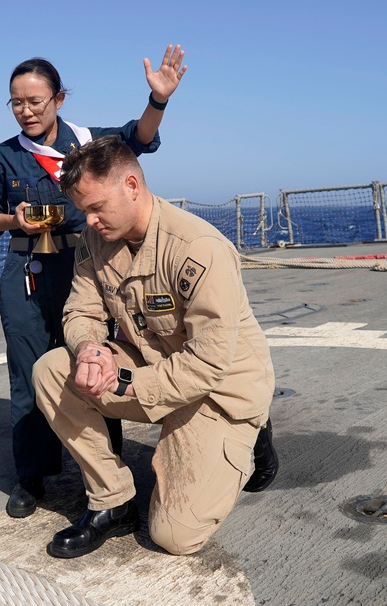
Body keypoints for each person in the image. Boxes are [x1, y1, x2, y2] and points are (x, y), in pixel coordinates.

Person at [32, 135, 279, 558]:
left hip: (218, 392)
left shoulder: (199, 249)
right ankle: (113, 500)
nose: (88, 221)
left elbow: (206, 364)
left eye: (95, 208)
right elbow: (81, 311)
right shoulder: (96, 241)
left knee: (175, 536)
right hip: (152, 366)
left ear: (131, 185)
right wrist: (91, 351)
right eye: (82, 210)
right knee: (53, 370)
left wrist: (124, 383)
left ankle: (254, 430)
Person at [0, 45, 189, 519]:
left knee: (95, 362)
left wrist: (158, 101)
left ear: (59, 100)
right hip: (27, 273)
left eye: (36, 101)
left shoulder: (88, 143)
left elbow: (139, 138)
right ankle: (31, 475)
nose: (26, 111)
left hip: (87, 268)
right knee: (28, 371)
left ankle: (107, 470)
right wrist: (13, 220)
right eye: (17, 103)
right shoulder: (2, 157)